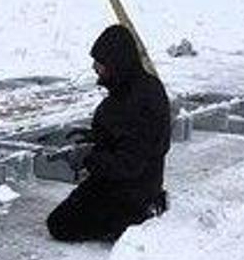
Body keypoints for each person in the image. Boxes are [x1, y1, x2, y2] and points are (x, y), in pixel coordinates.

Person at [47, 23, 170, 244]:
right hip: (124, 181)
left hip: (131, 191)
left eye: (100, 63)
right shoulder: (136, 87)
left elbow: (129, 162)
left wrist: (88, 158)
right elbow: (121, 134)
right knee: (65, 217)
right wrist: (93, 137)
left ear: (116, 63)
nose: (95, 68)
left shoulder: (138, 100)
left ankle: (139, 217)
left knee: (60, 225)